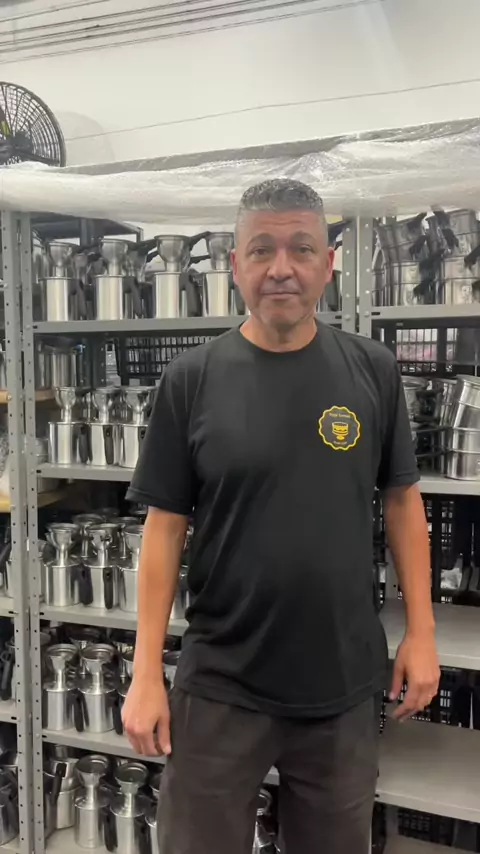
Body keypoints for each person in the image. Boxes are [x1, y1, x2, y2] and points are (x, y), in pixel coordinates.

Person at [123, 179, 440, 854]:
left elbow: (403, 504)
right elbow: (164, 530)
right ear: (236, 264)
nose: (281, 268)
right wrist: (145, 672)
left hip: (341, 684)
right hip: (221, 684)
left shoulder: (373, 371)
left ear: (329, 264)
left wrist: (422, 633)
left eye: (302, 248)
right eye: (262, 249)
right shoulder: (191, 380)